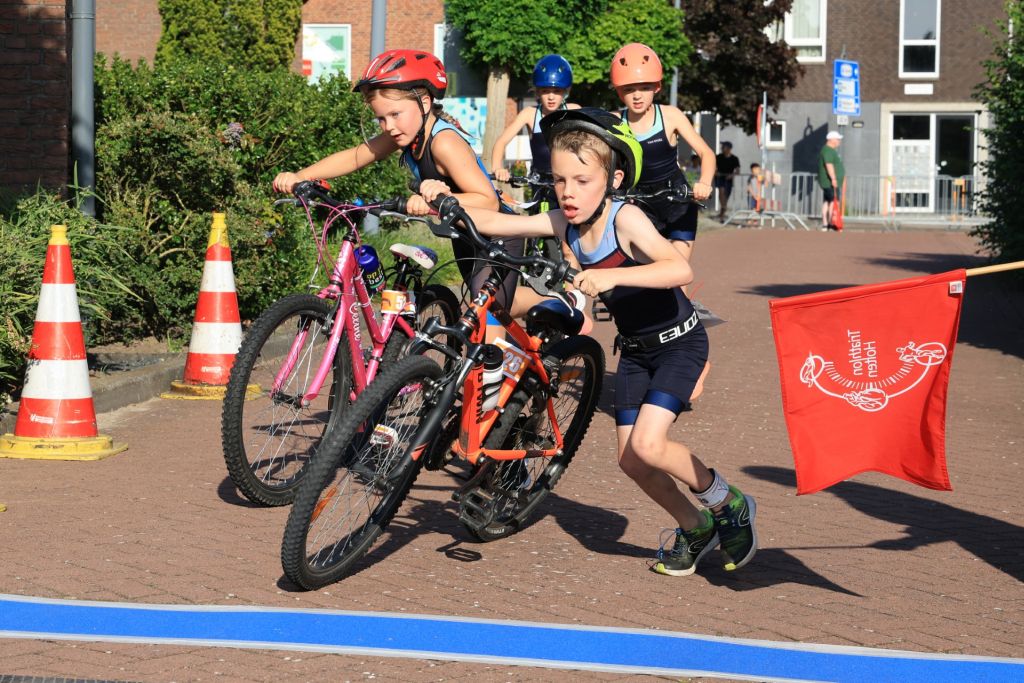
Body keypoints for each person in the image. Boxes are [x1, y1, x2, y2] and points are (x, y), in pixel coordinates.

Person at [424, 108, 758, 577]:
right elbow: (504, 222)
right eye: (560, 180)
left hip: (679, 344)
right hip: (638, 352)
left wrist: (608, 275)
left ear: (613, 178)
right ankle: (695, 524)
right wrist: (445, 201)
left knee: (649, 445)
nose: (569, 192)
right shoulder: (564, 221)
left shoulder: (628, 220)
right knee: (631, 462)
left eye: (582, 180)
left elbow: (679, 270)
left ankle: (729, 502)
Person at [272, 49, 526, 326]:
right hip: (466, 233)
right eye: (381, 118)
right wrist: (299, 176)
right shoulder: (407, 133)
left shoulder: (444, 143)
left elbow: (487, 200)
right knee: (495, 304)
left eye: (395, 114)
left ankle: (503, 362)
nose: (389, 126)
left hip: (498, 234)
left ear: (425, 102)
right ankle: (552, 307)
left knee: (488, 323)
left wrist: (434, 202)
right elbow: (356, 155)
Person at [609, 43, 715, 263]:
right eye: (629, 89)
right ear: (619, 92)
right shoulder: (614, 122)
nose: (637, 96)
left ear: (657, 87)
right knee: (643, 275)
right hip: (639, 205)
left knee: (676, 273)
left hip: (677, 202)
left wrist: (704, 182)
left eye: (645, 87)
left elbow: (706, 153)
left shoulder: (670, 116)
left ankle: (681, 298)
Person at [490, 54, 580, 214]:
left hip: (568, 180)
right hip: (539, 181)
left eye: (556, 91)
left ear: (565, 91)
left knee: (568, 227)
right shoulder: (530, 114)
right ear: (538, 92)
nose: (551, 96)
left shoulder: (574, 111)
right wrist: (498, 168)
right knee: (535, 226)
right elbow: (501, 142)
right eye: (545, 91)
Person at [818, 130, 845, 231]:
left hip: (828, 181)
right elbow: (829, 165)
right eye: (837, 139)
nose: (839, 141)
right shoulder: (828, 150)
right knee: (833, 201)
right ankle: (831, 223)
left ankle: (825, 224)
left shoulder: (829, 150)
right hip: (829, 182)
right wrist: (833, 178)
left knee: (827, 201)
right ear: (831, 140)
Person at [713, 141, 740, 222]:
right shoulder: (718, 157)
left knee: (726, 196)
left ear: (728, 149)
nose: (722, 148)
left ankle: (722, 214)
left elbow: (737, 171)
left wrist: (731, 175)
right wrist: (716, 172)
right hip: (720, 178)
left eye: (723, 147)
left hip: (729, 179)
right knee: (721, 192)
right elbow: (713, 166)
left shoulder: (734, 158)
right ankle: (724, 208)